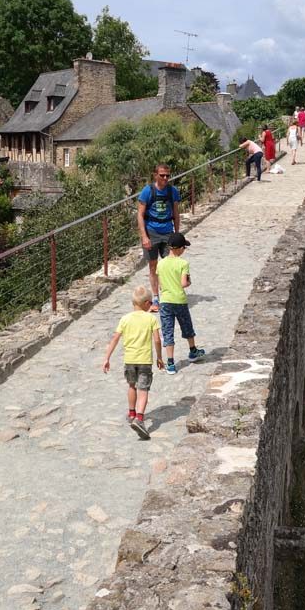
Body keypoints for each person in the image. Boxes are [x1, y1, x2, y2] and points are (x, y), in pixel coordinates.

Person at [102, 285, 164, 440]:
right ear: (146, 304)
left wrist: (107, 358)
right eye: (150, 303)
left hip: (129, 360)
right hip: (144, 361)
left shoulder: (125, 319)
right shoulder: (151, 318)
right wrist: (159, 357)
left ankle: (131, 413)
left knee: (132, 386)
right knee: (143, 389)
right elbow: (157, 339)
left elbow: (115, 338)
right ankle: (140, 419)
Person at [156, 232, 206, 375]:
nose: (184, 250)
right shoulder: (183, 263)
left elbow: (160, 285)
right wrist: (189, 282)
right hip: (179, 300)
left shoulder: (161, 264)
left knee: (168, 331)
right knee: (186, 326)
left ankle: (170, 363)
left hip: (165, 301)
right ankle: (193, 351)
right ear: (179, 248)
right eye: (184, 247)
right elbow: (184, 283)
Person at [137, 164, 181, 313]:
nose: (165, 178)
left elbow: (176, 213)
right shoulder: (147, 191)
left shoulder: (172, 191)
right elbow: (140, 215)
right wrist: (144, 236)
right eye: (162, 175)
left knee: (170, 265)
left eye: (168, 175)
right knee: (153, 266)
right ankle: (156, 298)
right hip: (152, 232)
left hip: (168, 231)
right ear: (155, 175)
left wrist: (177, 234)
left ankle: (169, 295)